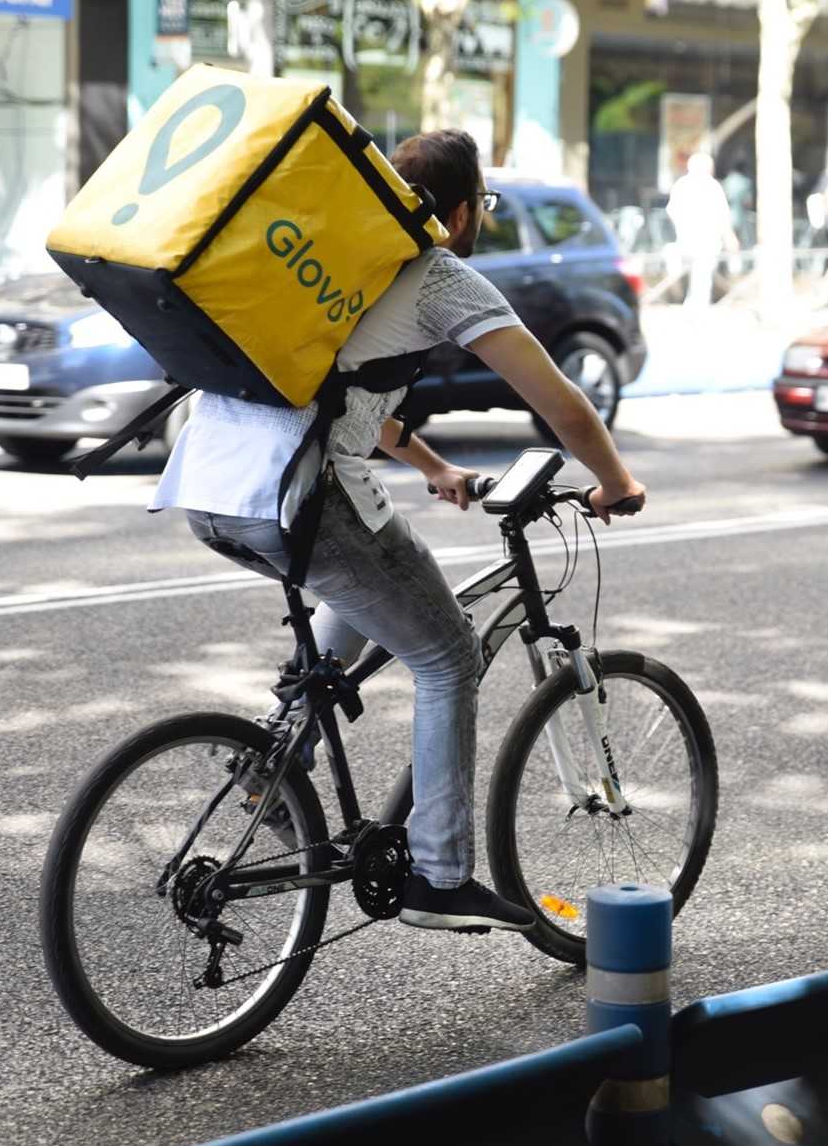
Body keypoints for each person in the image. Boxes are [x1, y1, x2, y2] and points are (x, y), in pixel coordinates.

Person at [150, 129, 648, 933]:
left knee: (363, 585)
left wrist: (430, 465)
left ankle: (269, 774)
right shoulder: (435, 275)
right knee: (448, 651)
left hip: (211, 483)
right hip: (298, 495)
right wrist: (616, 482)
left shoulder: (332, 254)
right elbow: (560, 402)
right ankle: (439, 876)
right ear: (456, 212)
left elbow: (347, 385)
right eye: (479, 205)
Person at [665, 151, 737, 308]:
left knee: (695, 273)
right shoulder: (712, 186)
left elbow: (671, 211)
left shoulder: (681, 185)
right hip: (707, 240)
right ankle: (696, 306)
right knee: (702, 277)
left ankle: (687, 302)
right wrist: (729, 237)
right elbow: (723, 216)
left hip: (687, 239)